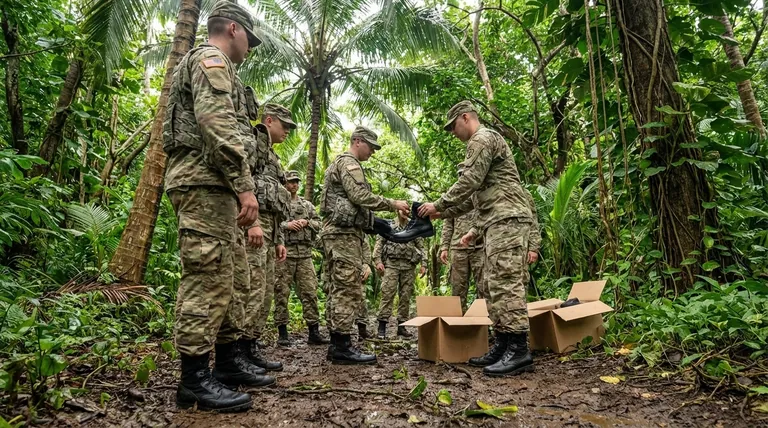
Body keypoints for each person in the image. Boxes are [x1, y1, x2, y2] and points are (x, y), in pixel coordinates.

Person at [162, 0, 273, 412]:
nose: (251, 47)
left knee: (225, 277)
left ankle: (224, 365)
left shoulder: (214, 63)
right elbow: (217, 126)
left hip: (213, 185)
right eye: (250, 39)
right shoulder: (211, 59)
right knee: (206, 276)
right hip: (203, 183)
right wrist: (245, 187)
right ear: (232, 29)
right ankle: (193, 379)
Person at [418, 101, 535, 377]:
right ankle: (503, 342)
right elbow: (473, 199)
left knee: (506, 281)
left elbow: (468, 180)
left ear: (465, 117)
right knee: (494, 284)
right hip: (495, 220)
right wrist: (441, 213)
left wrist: (438, 203)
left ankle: (518, 349)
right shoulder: (483, 143)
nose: (452, 133)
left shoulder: (481, 139)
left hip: (507, 217)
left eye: (453, 127)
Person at [319, 126, 410, 364]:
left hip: (339, 234)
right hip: (343, 235)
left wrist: (378, 224)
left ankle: (337, 343)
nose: (373, 152)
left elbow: (352, 205)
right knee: (347, 288)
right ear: (357, 141)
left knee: (339, 287)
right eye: (370, 146)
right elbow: (360, 197)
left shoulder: (340, 164)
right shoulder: (349, 163)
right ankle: (341, 346)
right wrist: (392, 203)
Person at [242, 103, 295, 372]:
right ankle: (239, 351)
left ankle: (250, 347)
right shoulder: (253, 141)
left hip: (271, 227)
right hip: (255, 222)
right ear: (269, 120)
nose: (288, 131)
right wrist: (251, 223)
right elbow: (242, 181)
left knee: (264, 292)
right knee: (251, 289)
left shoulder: (271, 155)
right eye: (284, 125)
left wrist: (279, 239)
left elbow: (275, 198)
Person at [273, 170, 329, 346]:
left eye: (296, 181)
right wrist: (287, 225)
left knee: (310, 292)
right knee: (281, 292)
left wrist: (307, 223)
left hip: (305, 255)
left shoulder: (307, 206)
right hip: (284, 254)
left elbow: (319, 224)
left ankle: (314, 331)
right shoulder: (278, 203)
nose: (294, 185)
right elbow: (271, 223)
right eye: (290, 182)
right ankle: (282, 333)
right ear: (284, 184)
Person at [439, 163, 486, 312]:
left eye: (464, 174)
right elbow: (448, 224)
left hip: (479, 246)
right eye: (460, 175)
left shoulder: (481, 192)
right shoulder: (452, 196)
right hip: (458, 248)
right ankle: (458, 326)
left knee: (483, 287)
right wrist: (444, 247)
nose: (462, 177)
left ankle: (483, 325)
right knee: (458, 288)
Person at [374, 210, 427, 339]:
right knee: (387, 294)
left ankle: (401, 326)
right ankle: (382, 327)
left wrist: (424, 264)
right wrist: (377, 261)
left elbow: (422, 246)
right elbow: (379, 244)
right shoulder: (389, 225)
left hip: (408, 266)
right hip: (391, 265)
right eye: (402, 209)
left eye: (407, 210)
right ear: (397, 210)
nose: (405, 212)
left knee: (405, 296)